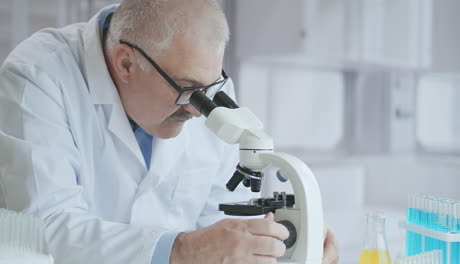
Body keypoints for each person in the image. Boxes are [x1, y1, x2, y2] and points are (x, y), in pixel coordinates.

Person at [0, 0, 339, 263]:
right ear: (126, 64)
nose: (197, 109)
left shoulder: (207, 89)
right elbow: (44, 231)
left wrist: (280, 241)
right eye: (187, 88)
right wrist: (181, 251)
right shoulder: (38, 77)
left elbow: (222, 223)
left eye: (210, 89)